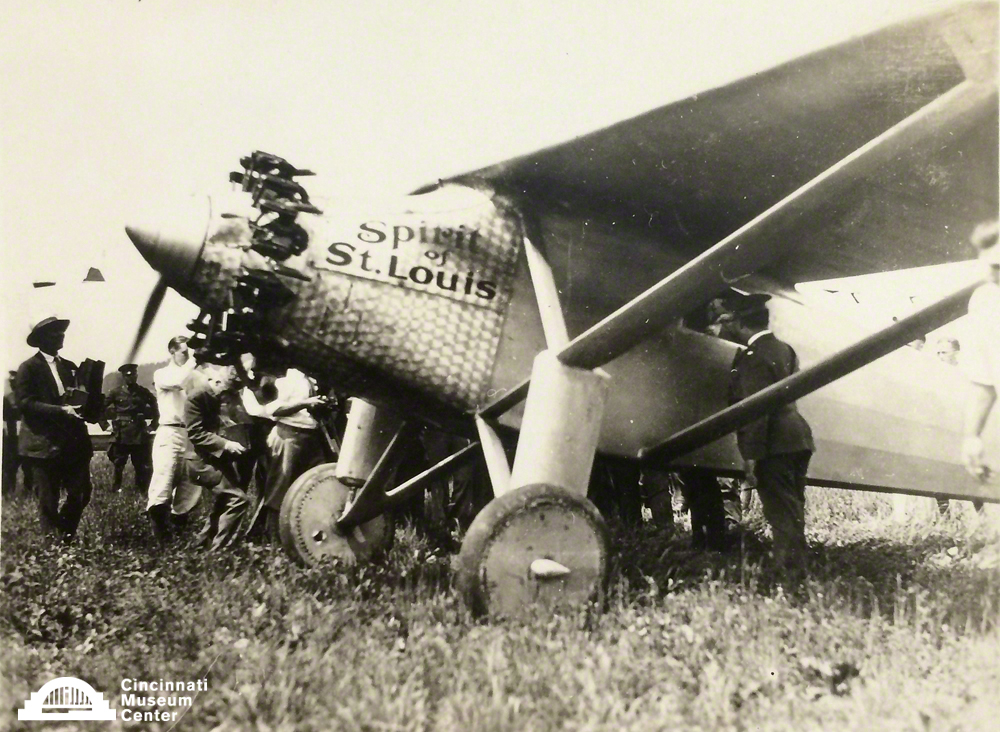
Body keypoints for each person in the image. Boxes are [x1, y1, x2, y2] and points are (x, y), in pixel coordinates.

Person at [714, 292, 815, 580]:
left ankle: (788, 575)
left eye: (730, 320)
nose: (727, 325)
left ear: (742, 323)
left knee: (780, 512)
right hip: (798, 437)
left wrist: (751, 457)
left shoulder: (753, 358)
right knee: (793, 507)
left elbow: (756, 411)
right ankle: (798, 566)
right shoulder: (785, 349)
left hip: (774, 443)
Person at [14, 316, 94, 540]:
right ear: (40, 340)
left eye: (61, 331)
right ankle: (53, 546)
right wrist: (61, 410)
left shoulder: (69, 367)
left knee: (80, 493)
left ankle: (64, 534)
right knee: (48, 501)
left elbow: (81, 398)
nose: (61, 335)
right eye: (54, 332)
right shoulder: (28, 368)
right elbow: (25, 403)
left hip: (71, 445)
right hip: (43, 445)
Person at [251, 368, 329, 540]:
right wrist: (305, 403)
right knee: (280, 486)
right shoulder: (287, 378)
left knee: (314, 484)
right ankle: (272, 538)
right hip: (289, 435)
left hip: (311, 437)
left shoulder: (312, 379)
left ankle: (302, 534)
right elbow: (273, 409)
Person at [186, 364, 248, 551]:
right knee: (239, 500)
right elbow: (195, 433)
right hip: (201, 461)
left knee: (224, 501)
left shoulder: (219, 396)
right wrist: (226, 444)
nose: (228, 395)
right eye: (227, 389)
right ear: (217, 381)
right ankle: (220, 550)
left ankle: (202, 543)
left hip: (216, 459)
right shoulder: (196, 397)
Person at [146, 336, 201, 544]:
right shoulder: (162, 374)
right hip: (169, 433)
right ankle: (161, 538)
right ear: (172, 351)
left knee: (189, 488)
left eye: (189, 353)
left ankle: (178, 536)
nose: (188, 357)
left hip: (191, 434)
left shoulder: (194, 374)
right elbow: (178, 382)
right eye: (184, 352)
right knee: (164, 480)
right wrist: (195, 361)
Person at [960, 220, 1000, 494]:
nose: (991, 274)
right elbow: (983, 380)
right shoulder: (985, 300)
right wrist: (971, 436)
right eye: (988, 265)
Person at [104, 363, 157, 493]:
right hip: (121, 432)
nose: (131, 378)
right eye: (127, 376)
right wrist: (105, 425)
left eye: (133, 375)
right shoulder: (115, 392)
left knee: (140, 463)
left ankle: (141, 488)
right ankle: (116, 488)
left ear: (136, 375)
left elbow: (157, 407)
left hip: (139, 432)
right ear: (123, 377)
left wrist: (153, 425)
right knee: (118, 462)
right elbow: (100, 408)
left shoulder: (143, 392)